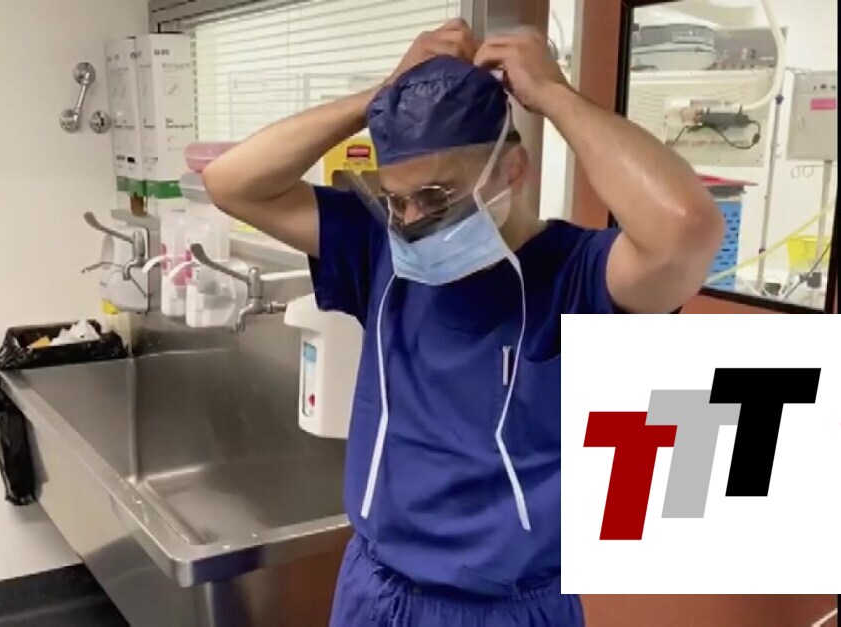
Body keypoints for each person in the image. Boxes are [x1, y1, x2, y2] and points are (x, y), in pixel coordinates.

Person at [202, 19, 723, 627]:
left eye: (436, 196)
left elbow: (685, 228)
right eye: (397, 200)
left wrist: (554, 95)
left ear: (513, 170)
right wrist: (381, 94)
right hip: (373, 591)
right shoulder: (381, 249)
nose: (413, 222)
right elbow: (231, 183)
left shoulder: (578, 277)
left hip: (505, 609)